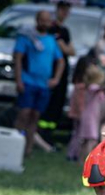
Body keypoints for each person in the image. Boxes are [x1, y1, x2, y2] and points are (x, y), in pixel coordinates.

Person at [12, 10, 64, 158]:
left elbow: (60, 61)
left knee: (35, 116)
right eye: (42, 20)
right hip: (28, 81)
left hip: (44, 85)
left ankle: (27, 150)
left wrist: (56, 79)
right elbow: (18, 58)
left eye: (48, 21)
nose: (45, 23)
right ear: (37, 20)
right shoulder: (27, 38)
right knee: (24, 114)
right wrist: (18, 79)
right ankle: (14, 145)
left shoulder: (51, 40)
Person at [41, 0, 75, 144]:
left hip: (63, 72)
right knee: (48, 103)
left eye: (67, 10)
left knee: (58, 103)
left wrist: (65, 47)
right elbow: (64, 49)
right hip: (52, 70)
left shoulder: (65, 30)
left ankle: (49, 134)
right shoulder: (52, 28)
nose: (64, 13)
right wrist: (65, 47)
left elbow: (71, 51)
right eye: (62, 10)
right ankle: (41, 133)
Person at [77, 63, 105, 161]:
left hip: (91, 116)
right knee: (92, 139)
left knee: (86, 139)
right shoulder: (93, 87)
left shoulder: (90, 87)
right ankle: (88, 160)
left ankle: (81, 159)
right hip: (90, 117)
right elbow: (96, 90)